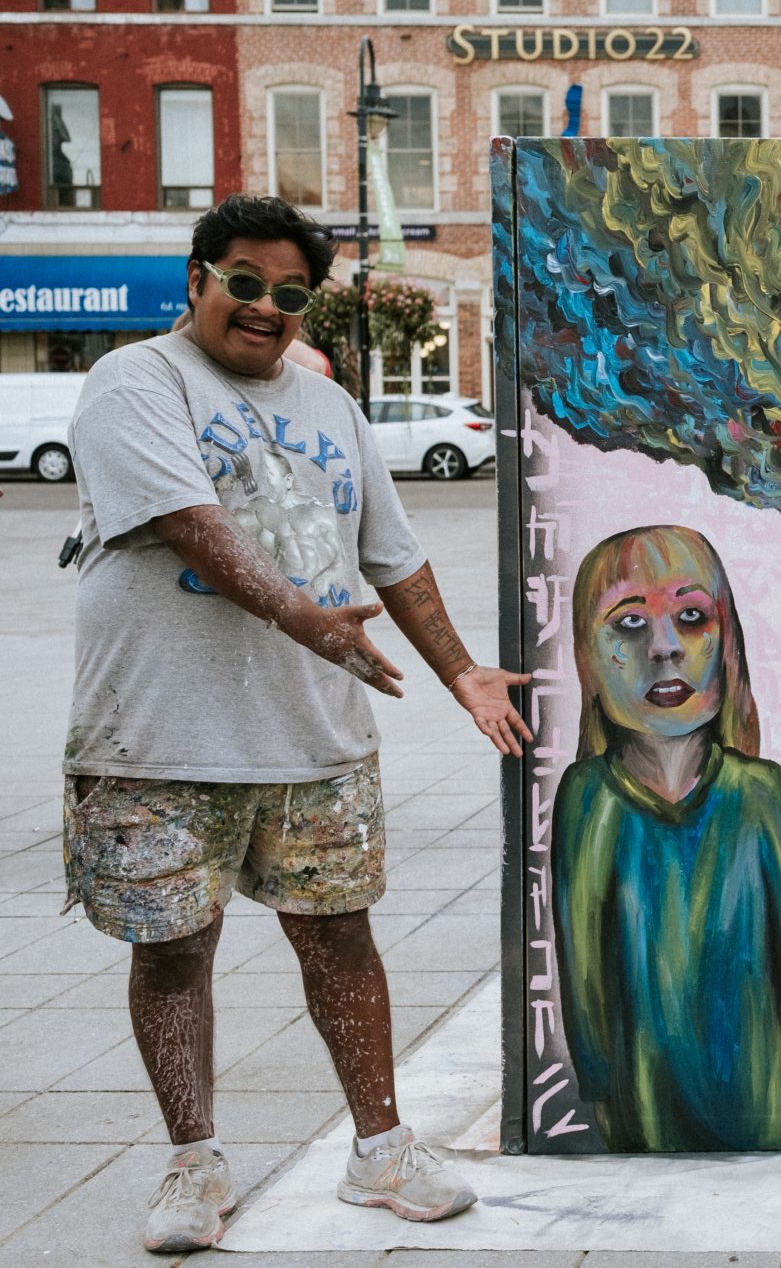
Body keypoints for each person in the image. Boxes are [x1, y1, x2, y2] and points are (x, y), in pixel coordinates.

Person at [61, 195, 532, 1254]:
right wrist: (304, 618)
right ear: (196, 279)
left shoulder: (333, 408)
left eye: (290, 293)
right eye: (244, 281)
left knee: (341, 939)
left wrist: (461, 673)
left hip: (313, 736)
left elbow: (394, 555)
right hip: (156, 734)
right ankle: (194, 1162)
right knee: (172, 951)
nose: (264, 307)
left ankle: (381, 1150)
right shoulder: (137, 381)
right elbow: (194, 524)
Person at [551, 525, 781, 1151]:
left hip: (763, 1098)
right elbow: (583, 967)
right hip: (644, 1108)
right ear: (587, 660)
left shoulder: (760, 791)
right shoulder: (589, 798)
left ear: (726, 642)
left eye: (690, 617)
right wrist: (598, 1087)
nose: (664, 648)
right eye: (629, 624)